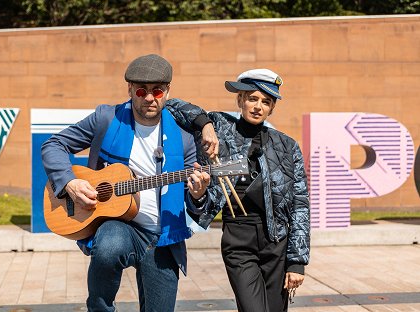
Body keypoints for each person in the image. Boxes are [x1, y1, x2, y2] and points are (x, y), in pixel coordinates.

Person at [41, 54, 218, 312]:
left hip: (163, 237)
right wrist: (69, 183)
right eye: (141, 90)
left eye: (157, 91)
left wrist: (198, 194)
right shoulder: (106, 119)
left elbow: (194, 204)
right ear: (130, 90)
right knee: (109, 245)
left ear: (167, 91)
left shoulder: (185, 138)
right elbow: (54, 145)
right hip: (119, 224)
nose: (149, 98)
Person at [169, 69, 310, 312]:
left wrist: (297, 262)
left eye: (266, 102)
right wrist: (205, 125)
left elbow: (300, 204)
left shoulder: (287, 146)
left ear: (272, 108)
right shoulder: (220, 128)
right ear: (240, 100)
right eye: (252, 98)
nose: (258, 106)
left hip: (277, 241)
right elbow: (171, 105)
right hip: (238, 238)